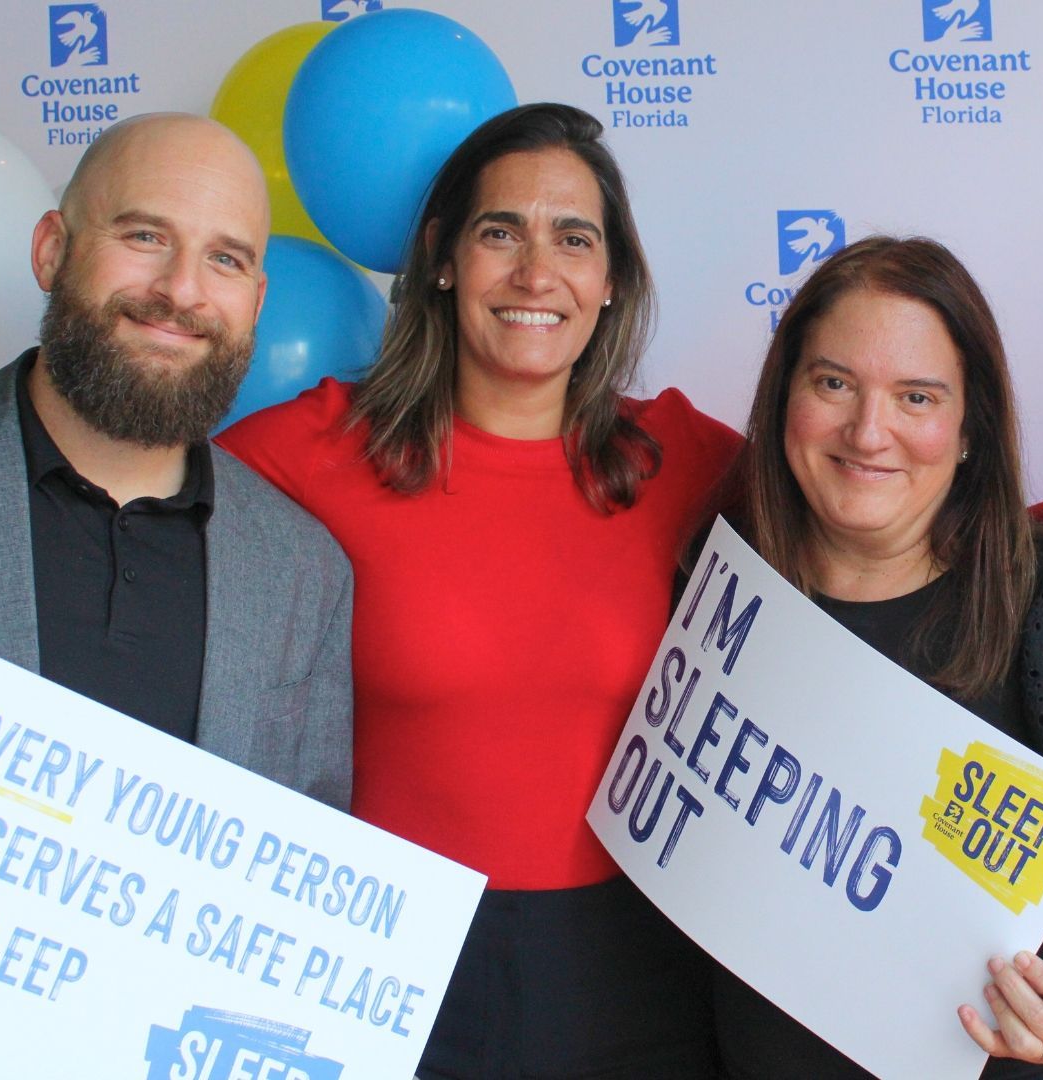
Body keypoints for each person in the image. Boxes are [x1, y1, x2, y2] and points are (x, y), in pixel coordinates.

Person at [214, 103, 741, 1078]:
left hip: (637, 976)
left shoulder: (683, 459)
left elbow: (878, 525)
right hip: (388, 967)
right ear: (442, 259)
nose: (537, 274)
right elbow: (114, 493)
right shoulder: (318, 451)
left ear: (611, 280)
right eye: (501, 232)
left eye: (573, 239)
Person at [0, 113, 354, 928]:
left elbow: (305, 888)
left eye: (225, 258)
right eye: (145, 235)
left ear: (255, 301)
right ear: (51, 250)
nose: (182, 291)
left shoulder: (303, 572)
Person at [715, 235, 1043, 1078]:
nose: (868, 431)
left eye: (917, 397)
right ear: (785, 399)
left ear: (969, 431)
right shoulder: (720, 590)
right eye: (833, 383)